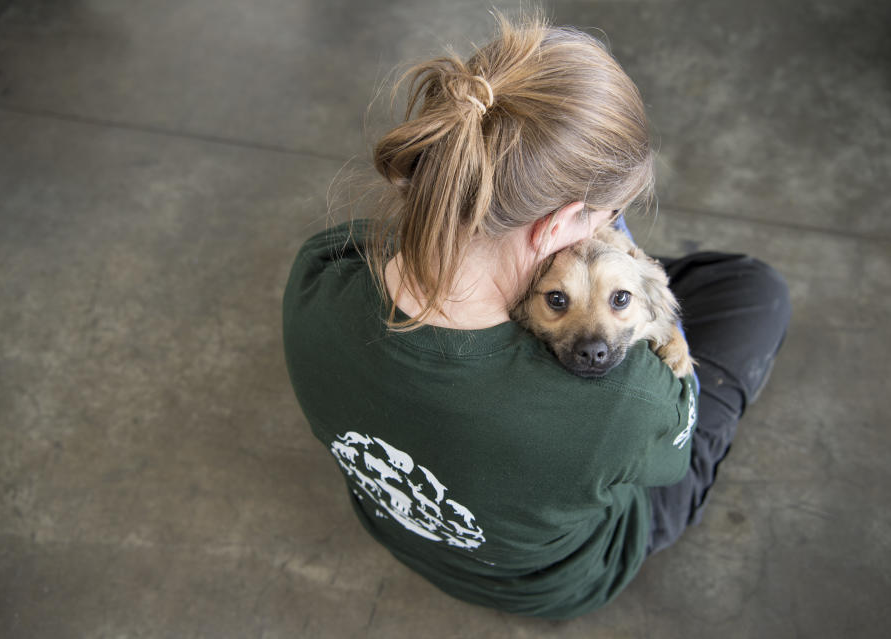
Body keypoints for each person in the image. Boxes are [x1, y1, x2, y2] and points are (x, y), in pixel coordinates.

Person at [283, 11, 790, 619]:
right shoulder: (624, 399)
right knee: (755, 292)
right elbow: (666, 461)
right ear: (555, 226)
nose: (606, 225)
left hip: (396, 527)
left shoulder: (322, 269)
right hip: (555, 582)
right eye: (603, 214)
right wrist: (635, 276)